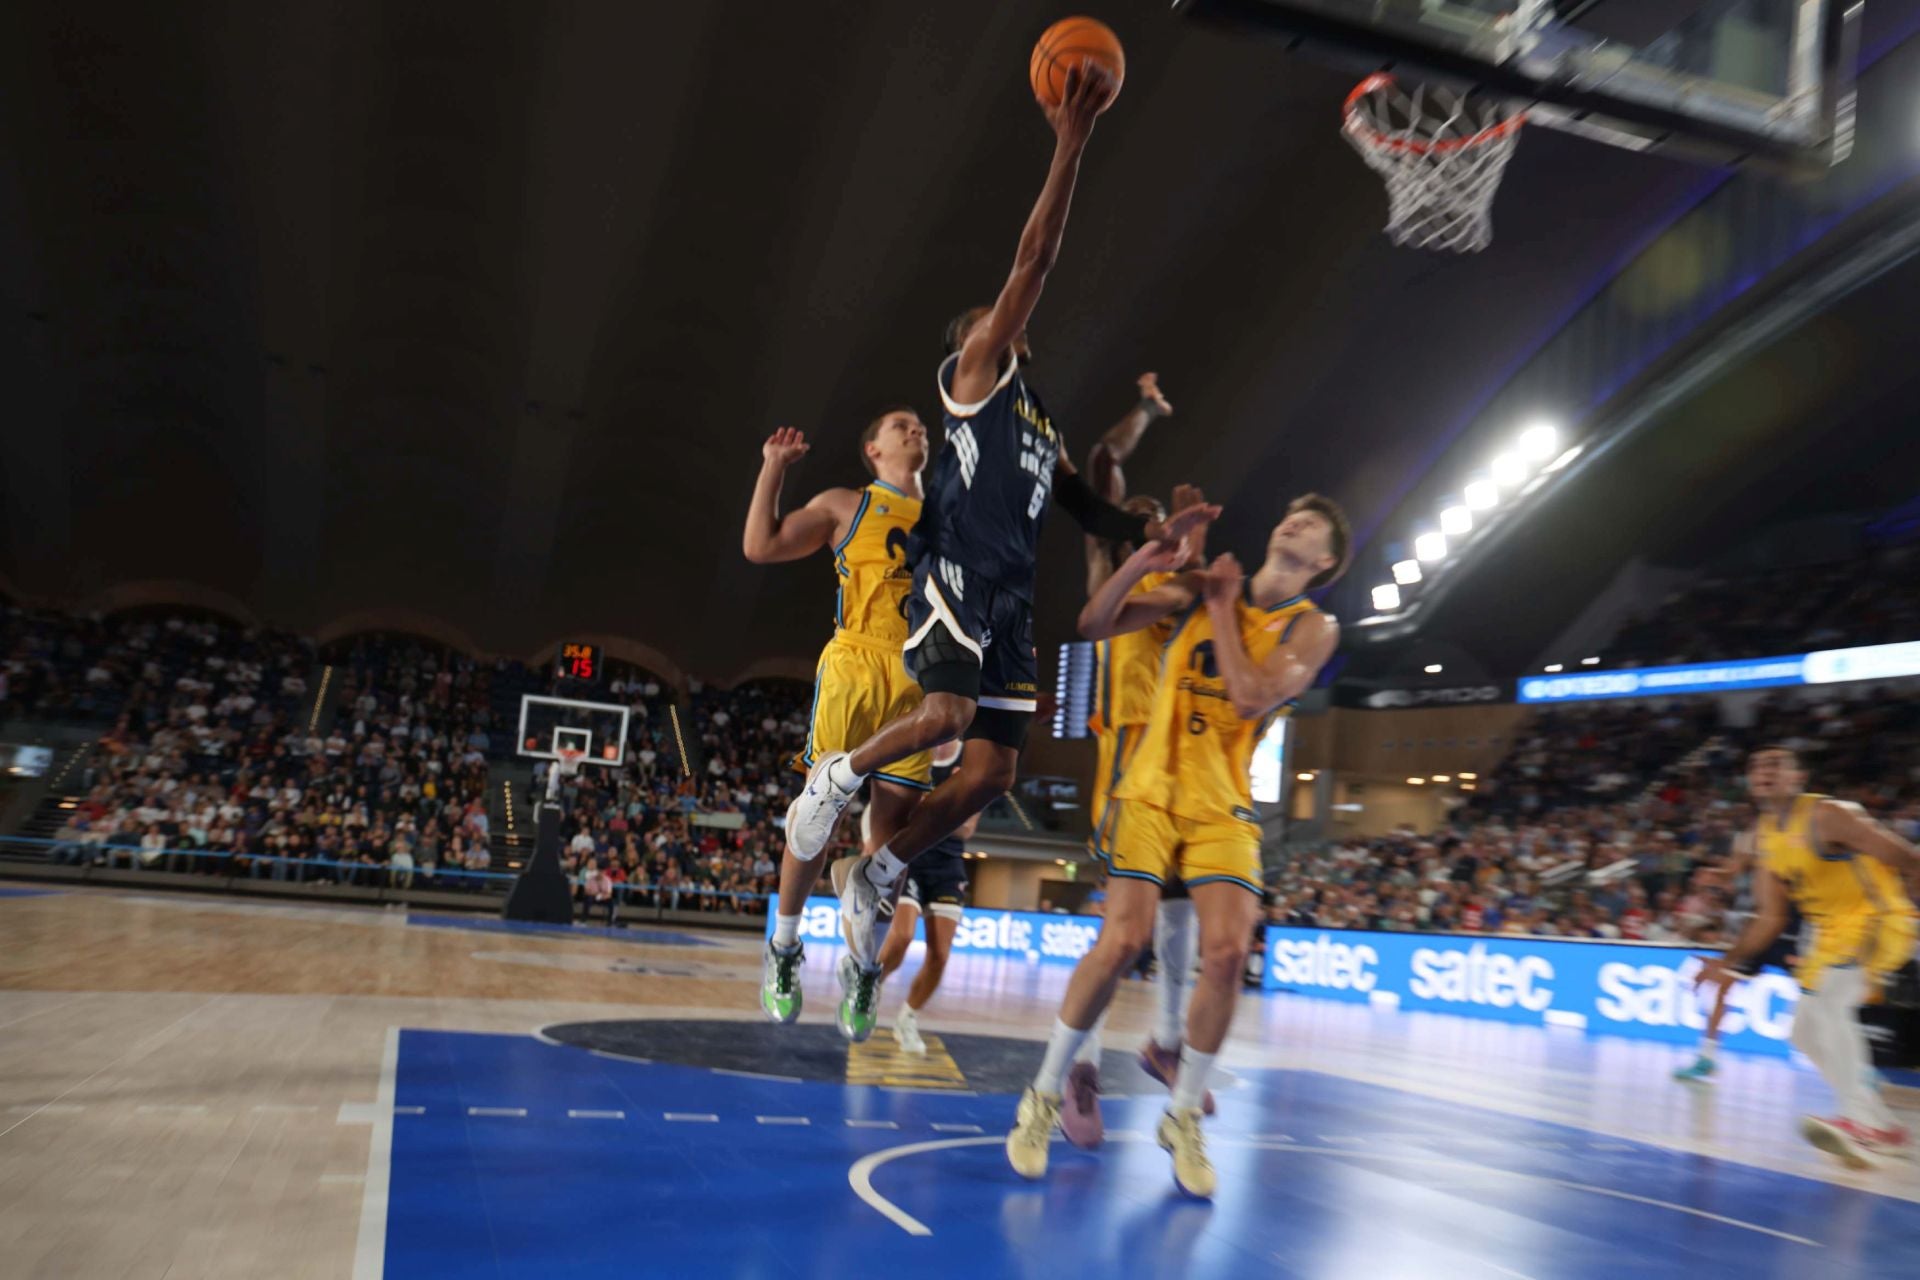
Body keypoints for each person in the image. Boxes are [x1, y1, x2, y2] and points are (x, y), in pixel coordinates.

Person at [780, 64, 1216, 975]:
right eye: (991, 316)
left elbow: (1084, 498)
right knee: (941, 714)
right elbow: (1036, 261)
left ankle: (881, 868)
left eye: (1006, 317)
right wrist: (1071, 140)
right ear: (972, 341)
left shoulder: (1040, 419)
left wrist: (1153, 537)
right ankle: (840, 776)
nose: (1007, 316)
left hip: (1012, 599)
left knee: (990, 775)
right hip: (954, 577)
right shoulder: (974, 378)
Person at [1007, 495, 1348, 1198]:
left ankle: (1183, 1114)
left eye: (1310, 527)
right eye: (1289, 515)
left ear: (1324, 562)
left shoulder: (1313, 629)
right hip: (1150, 788)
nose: (1292, 522)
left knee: (1225, 952)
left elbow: (1253, 698)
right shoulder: (1198, 587)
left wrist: (1221, 606)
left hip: (1221, 799)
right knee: (1121, 940)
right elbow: (1092, 623)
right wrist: (1148, 561)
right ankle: (1043, 1095)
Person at [742, 408, 934, 1040]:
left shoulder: (950, 516)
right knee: (820, 815)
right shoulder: (846, 504)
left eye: (921, 425)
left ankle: (860, 962)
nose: (917, 428)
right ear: (873, 449)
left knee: (894, 834)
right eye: (901, 424)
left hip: (919, 674)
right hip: (857, 661)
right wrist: (772, 468)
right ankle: (784, 945)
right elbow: (760, 546)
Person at [1069, 371, 1214, 1137]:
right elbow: (1101, 462)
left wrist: (1196, 545)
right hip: (1127, 755)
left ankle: (1165, 1043)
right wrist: (1149, 413)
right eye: (1141, 516)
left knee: (1184, 910)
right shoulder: (1110, 562)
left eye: (1163, 516)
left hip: (1187, 760)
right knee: (1122, 927)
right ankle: (1082, 1067)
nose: (1152, 520)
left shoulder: (1184, 585)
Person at [1696, 746, 1918, 1168]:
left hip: (1878, 916)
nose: (1765, 770)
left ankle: (1857, 1120)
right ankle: (1881, 1124)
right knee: (1802, 1033)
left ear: (1798, 778)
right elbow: (1770, 916)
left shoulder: (1828, 815)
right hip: (1830, 933)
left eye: (1776, 764)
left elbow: (1905, 856)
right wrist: (1726, 961)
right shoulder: (1764, 836)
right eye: (1757, 764)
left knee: (1832, 1006)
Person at [875, 738, 978, 1054]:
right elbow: (891, 810)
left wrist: (927, 805)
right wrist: (948, 802)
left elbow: (967, 829)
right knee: (902, 935)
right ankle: (869, 987)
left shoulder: (971, 760)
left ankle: (907, 1018)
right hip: (909, 857)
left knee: (940, 955)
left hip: (947, 864)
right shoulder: (913, 752)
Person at [1675, 830, 1801, 1083]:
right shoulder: (1740, 879)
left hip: (1784, 938)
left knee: (1819, 1002)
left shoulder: (1771, 872)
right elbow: (1741, 918)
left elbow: (1769, 916)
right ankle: (1707, 1058)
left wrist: (1725, 959)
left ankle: (1857, 1067)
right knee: (1722, 988)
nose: (1737, 856)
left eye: (1744, 851)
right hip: (1758, 939)